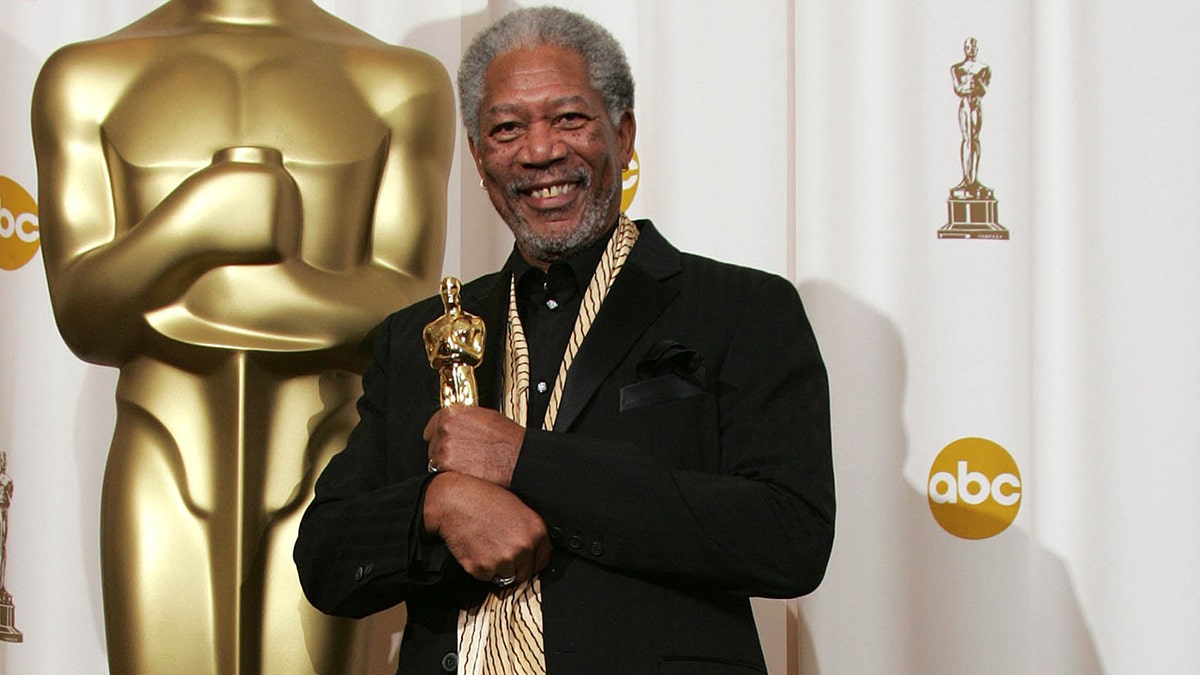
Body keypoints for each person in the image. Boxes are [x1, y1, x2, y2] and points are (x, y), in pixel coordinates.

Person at [294, 6, 835, 674]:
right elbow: (325, 554)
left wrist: (524, 462)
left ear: (624, 132)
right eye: (506, 127)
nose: (540, 150)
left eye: (569, 118)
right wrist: (435, 504)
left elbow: (789, 536)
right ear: (477, 153)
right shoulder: (421, 335)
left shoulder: (741, 309)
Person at [31, 1, 455, 672]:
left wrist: (208, 294)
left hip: (328, 459)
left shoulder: (398, 82)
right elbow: (83, 312)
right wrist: (195, 221)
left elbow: (407, 316)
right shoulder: (86, 78)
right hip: (162, 450)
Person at [951, 37, 993, 199]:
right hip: (965, 105)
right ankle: (966, 179)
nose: (971, 48)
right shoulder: (957, 68)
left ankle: (973, 179)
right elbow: (958, 89)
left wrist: (975, 81)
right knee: (966, 139)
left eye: (973, 46)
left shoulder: (984, 68)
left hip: (976, 104)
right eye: (968, 46)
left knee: (974, 139)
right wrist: (968, 85)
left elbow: (983, 89)